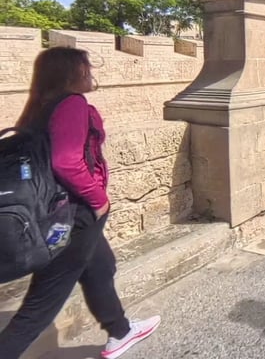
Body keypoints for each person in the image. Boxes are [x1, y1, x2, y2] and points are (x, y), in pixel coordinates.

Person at [0, 47, 160, 359]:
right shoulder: (73, 104)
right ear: (73, 73)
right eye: (86, 69)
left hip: (57, 210)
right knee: (42, 303)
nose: (91, 74)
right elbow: (66, 161)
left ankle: (120, 331)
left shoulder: (41, 106)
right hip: (72, 214)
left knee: (101, 265)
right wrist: (99, 201)